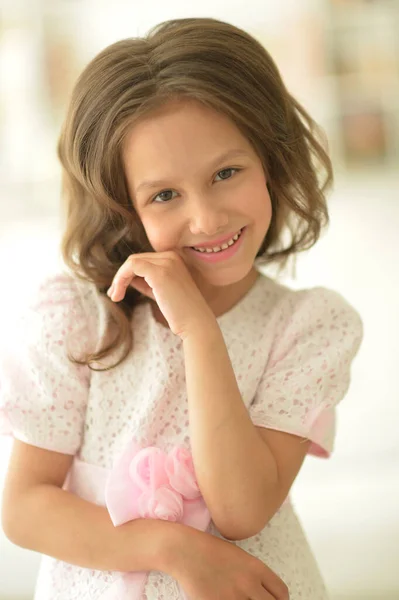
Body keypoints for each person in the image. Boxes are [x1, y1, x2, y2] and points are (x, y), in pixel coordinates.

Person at [0, 17, 363, 600]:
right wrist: (175, 546)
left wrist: (199, 331)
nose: (207, 218)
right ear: (123, 207)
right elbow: (25, 509)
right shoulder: (75, 317)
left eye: (226, 173)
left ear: (270, 160)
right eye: (165, 194)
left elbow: (241, 510)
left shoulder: (309, 326)